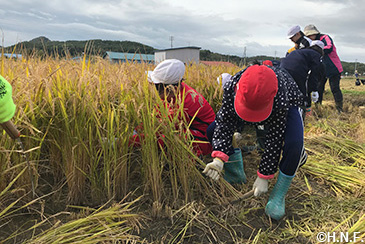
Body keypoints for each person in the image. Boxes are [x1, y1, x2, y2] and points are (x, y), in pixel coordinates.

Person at [203, 64, 305, 220]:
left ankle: (279, 194)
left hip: (287, 103)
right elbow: (225, 123)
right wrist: (218, 158)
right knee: (212, 130)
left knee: (294, 144)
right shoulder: (232, 85)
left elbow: (274, 138)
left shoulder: (281, 94)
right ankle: (235, 172)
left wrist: (264, 175)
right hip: (251, 102)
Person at [132, 59, 216, 157]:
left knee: (168, 139)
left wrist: (129, 141)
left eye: (157, 88)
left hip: (204, 139)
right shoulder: (175, 92)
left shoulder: (186, 103)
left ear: (172, 89)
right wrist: (138, 129)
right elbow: (157, 115)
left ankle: (192, 162)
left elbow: (163, 128)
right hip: (191, 130)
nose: (155, 92)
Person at [304, 24, 344, 112]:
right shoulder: (312, 42)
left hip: (333, 67)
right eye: (308, 36)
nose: (310, 37)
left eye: (310, 35)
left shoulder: (325, 37)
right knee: (319, 87)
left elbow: (329, 47)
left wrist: (316, 49)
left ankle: (339, 108)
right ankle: (318, 107)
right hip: (321, 68)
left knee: (334, 88)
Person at [280, 40, 324, 118]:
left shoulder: (301, 51)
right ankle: (301, 115)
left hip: (283, 68)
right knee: (302, 92)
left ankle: (285, 112)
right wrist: (314, 90)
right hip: (296, 70)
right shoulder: (317, 55)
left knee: (287, 91)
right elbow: (314, 74)